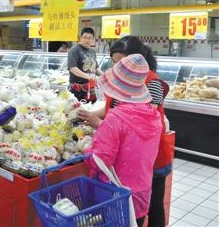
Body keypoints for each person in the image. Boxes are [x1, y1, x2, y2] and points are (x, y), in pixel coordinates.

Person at [79, 36, 171, 227]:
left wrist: (102, 126)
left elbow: (135, 122)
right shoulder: (125, 85)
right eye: (114, 63)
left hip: (150, 158)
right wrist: (90, 115)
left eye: (121, 63)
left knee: (153, 209)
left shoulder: (153, 83)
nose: (117, 68)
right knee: (136, 211)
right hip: (131, 164)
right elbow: (114, 107)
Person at [67, 27, 101, 102]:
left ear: (93, 39)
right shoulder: (74, 50)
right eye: (85, 37)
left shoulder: (92, 51)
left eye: (90, 38)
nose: (87, 40)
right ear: (80, 38)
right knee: (78, 110)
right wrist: (88, 77)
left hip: (91, 88)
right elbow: (73, 68)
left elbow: (96, 68)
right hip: (77, 90)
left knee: (90, 109)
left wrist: (104, 76)